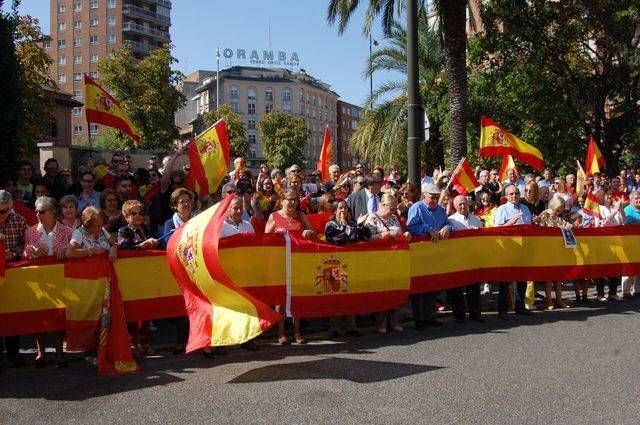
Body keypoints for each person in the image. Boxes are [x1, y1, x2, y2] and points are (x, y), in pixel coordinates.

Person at [24, 196, 74, 368]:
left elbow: (74, 250)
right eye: (36, 211)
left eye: (42, 211)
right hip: (39, 280)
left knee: (60, 314)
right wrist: (32, 250)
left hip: (60, 278)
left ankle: (60, 351)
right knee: (40, 316)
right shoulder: (30, 231)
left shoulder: (67, 231)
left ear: (53, 212)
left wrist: (67, 250)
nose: (38, 214)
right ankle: (41, 353)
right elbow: (25, 251)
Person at [265, 188, 316, 345]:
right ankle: (281, 334)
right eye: (289, 199)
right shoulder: (274, 216)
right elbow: (265, 239)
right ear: (282, 200)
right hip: (280, 263)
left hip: (298, 262)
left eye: (295, 199)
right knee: (280, 299)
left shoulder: (301, 215)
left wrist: (308, 232)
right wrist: (275, 234)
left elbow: (313, 231)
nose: (292, 202)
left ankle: (297, 332)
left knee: (296, 298)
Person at [407, 183, 453, 329]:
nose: (434, 200)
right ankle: (419, 319)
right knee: (420, 287)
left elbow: (448, 223)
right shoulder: (417, 208)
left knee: (433, 285)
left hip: (436, 253)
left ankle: (430, 315)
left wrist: (448, 227)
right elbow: (410, 227)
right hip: (420, 253)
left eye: (436, 197)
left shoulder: (440, 210)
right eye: (431, 197)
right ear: (424, 196)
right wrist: (427, 229)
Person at [365, 193, 410, 333]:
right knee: (381, 291)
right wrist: (385, 235)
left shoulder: (394, 217)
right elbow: (368, 237)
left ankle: (393, 319)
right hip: (378, 260)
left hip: (393, 258)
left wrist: (405, 235)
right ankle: (381, 322)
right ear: (383, 205)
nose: (393, 211)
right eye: (391, 208)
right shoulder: (372, 218)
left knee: (393, 289)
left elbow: (400, 232)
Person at [118, 200, 158, 356]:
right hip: (131, 276)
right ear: (126, 216)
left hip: (147, 274)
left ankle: (145, 340)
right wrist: (143, 245)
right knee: (133, 310)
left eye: (140, 212)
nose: (138, 216)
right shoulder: (124, 231)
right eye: (134, 213)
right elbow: (124, 248)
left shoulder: (147, 228)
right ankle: (133, 342)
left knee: (146, 310)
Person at [494, 184, 534, 319]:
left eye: (516, 193)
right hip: (507, 249)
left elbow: (530, 227)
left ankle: (520, 306)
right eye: (511, 194)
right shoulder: (502, 209)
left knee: (521, 279)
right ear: (506, 196)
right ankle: (502, 310)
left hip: (523, 248)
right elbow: (497, 230)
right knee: (505, 282)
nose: (514, 196)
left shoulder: (525, 208)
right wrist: (510, 223)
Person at [447, 195, 484, 322]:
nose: (463, 206)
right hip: (457, 258)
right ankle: (459, 315)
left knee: (473, 287)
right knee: (457, 288)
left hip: (473, 257)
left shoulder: (476, 219)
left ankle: (475, 313)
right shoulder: (451, 220)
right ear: (455, 206)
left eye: (464, 203)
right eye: (459, 204)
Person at [535, 196, 571, 309]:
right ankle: (549, 300)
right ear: (553, 205)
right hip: (547, 249)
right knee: (549, 278)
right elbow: (540, 229)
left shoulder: (558, 217)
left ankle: (559, 299)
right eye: (559, 208)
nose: (560, 211)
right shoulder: (544, 214)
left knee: (559, 277)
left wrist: (569, 226)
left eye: (562, 209)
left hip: (558, 249)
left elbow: (565, 226)